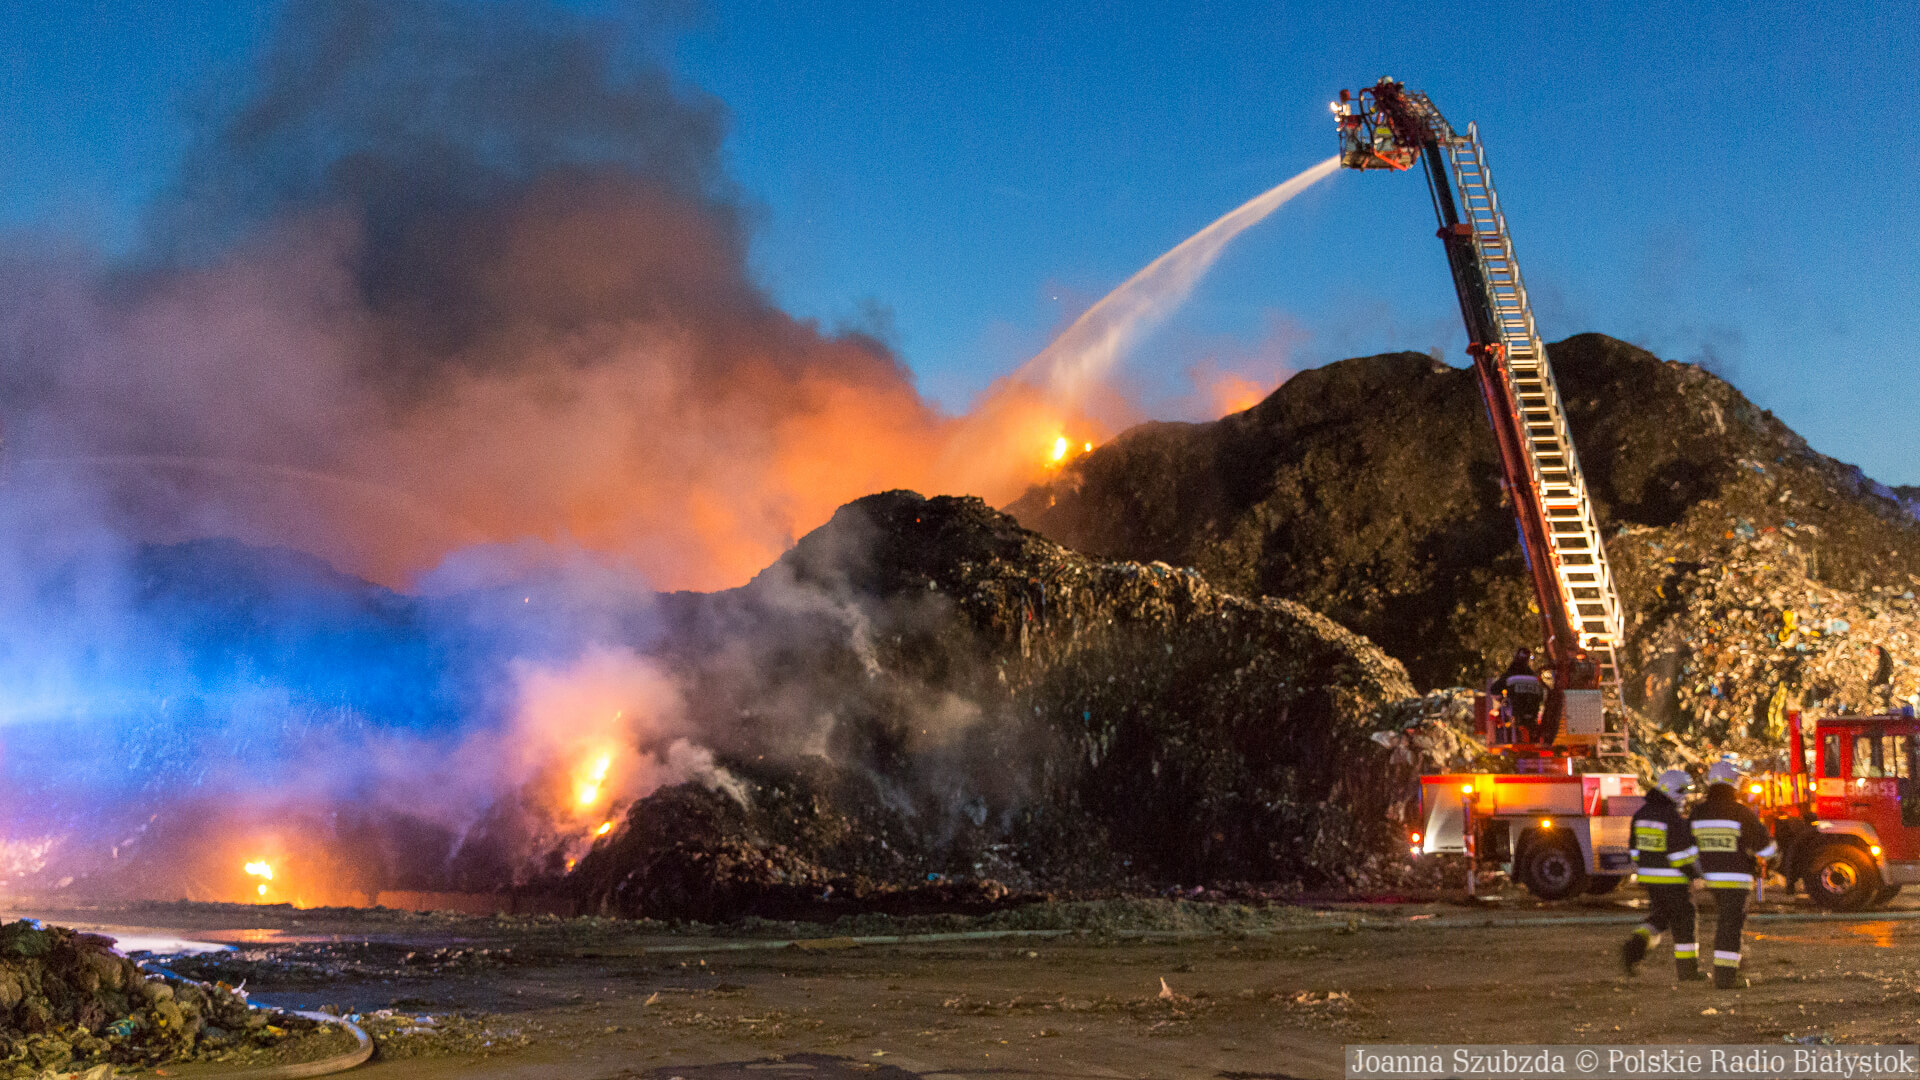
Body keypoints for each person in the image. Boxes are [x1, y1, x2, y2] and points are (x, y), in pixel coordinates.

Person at [1689, 760, 1780, 989]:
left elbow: (1686, 845)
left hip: (1708, 879)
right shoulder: (1740, 812)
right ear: (1733, 782)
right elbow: (1764, 848)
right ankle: (1726, 978)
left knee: (1726, 924)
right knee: (1729, 927)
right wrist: (1774, 856)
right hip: (1736, 879)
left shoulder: (1698, 812)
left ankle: (1734, 968)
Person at [1621, 769, 1702, 980]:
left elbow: (1634, 850)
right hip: (1673, 880)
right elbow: (1679, 855)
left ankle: (1635, 946)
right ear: (1674, 791)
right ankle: (1688, 972)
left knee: (1659, 917)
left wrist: (1648, 866)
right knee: (1684, 921)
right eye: (1683, 793)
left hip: (1650, 879)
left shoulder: (1641, 814)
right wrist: (1694, 874)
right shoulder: (1671, 817)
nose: (1685, 798)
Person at [1488, 648, 1548, 744]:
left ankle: (1506, 738)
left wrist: (1502, 700)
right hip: (1533, 715)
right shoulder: (1534, 677)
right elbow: (1541, 696)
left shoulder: (1510, 675)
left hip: (1515, 715)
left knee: (1501, 713)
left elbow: (1494, 691)